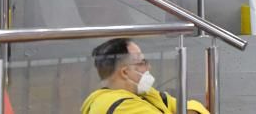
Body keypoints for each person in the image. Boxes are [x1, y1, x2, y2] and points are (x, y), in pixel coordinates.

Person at [81, 38, 209, 114]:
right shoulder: (120, 106)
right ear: (125, 72)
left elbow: (192, 106)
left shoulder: (145, 94)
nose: (149, 67)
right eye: (142, 63)